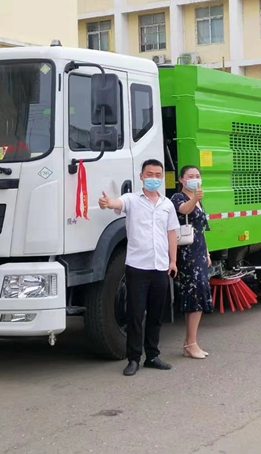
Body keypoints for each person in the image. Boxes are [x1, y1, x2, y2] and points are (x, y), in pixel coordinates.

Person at [99, 159, 179, 377]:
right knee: (135, 314)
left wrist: (173, 261)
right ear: (142, 176)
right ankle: (133, 359)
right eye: (149, 174)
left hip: (160, 266)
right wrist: (108, 202)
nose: (154, 178)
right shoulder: (132, 200)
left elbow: (172, 233)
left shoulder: (167, 204)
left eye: (158, 175)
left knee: (156, 315)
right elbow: (117, 203)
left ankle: (152, 356)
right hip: (137, 266)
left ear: (162, 178)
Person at [171, 166, 213, 359]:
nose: (195, 179)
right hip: (187, 254)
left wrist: (207, 253)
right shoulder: (178, 197)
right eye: (190, 176)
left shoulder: (198, 200)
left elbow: (201, 229)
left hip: (199, 252)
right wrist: (195, 199)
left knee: (196, 296)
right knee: (194, 296)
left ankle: (190, 343)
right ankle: (191, 344)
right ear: (181, 179)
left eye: (197, 176)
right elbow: (183, 210)